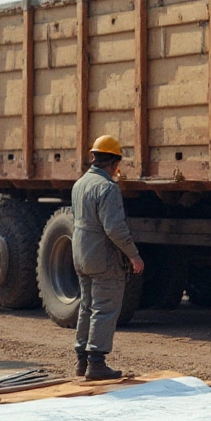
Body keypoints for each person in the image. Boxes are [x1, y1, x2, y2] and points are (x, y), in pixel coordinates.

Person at [71, 135, 144, 380]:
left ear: (94, 157)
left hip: (81, 254)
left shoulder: (79, 184)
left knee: (86, 306)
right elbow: (114, 227)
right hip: (102, 256)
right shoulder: (107, 188)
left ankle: (82, 361)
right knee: (104, 308)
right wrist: (134, 256)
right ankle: (96, 363)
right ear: (115, 163)